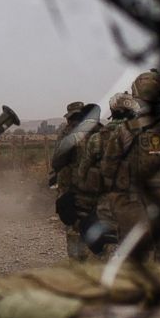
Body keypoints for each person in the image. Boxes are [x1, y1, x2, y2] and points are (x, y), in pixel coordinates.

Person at [89, 70, 160, 262]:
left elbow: (108, 169)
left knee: (135, 262)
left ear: (137, 96)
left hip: (133, 207)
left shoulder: (126, 130)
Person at [52, 101, 103, 261]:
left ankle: (78, 265)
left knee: (75, 228)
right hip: (99, 191)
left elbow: (57, 161)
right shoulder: (102, 131)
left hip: (74, 190)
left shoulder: (70, 134)